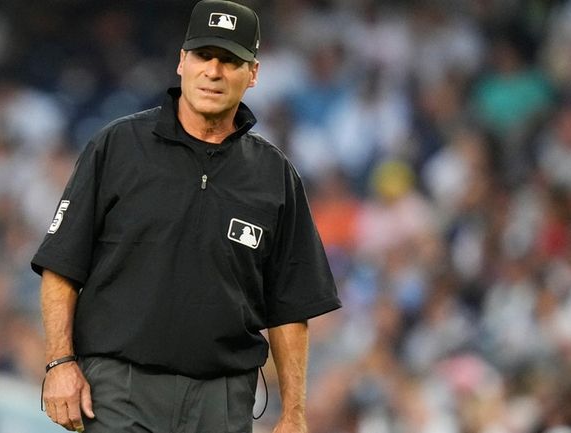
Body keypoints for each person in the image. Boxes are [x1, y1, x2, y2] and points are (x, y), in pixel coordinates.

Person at [31, 1, 341, 432]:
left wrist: (294, 413)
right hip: (118, 390)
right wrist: (60, 361)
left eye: (230, 60)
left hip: (222, 401)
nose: (214, 71)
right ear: (182, 62)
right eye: (203, 55)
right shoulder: (118, 147)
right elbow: (62, 265)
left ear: (253, 74)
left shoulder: (274, 176)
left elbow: (289, 308)